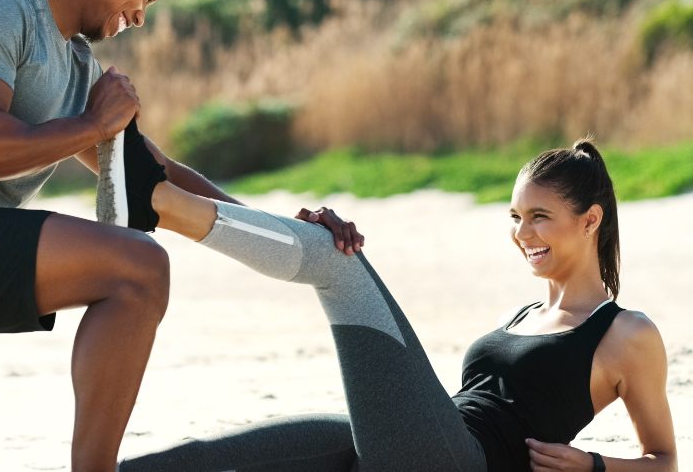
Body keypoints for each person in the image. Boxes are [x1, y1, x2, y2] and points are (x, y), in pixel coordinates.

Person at [0, 0, 361, 470]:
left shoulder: (75, 67)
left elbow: (154, 178)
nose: (141, 15)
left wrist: (293, 234)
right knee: (135, 270)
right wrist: (94, 123)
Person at [98, 130, 678, 471]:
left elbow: (664, 461)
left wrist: (597, 464)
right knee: (223, 458)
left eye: (540, 218)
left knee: (337, 260)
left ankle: (153, 198)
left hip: (460, 460)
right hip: (422, 442)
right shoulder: (524, 314)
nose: (523, 233)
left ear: (591, 220)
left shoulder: (625, 333)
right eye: (516, 217)